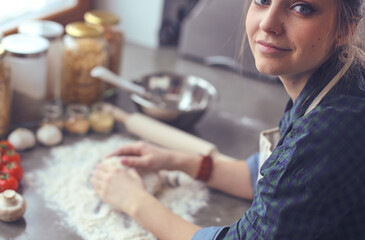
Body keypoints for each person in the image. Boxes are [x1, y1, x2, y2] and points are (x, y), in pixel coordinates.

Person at [91, 0, 365, 239]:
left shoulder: (329, 129)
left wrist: (135, 201)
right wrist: (175, 160)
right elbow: (262, 175)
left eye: (301, 8)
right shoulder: (332, 82)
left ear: (345, 29)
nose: (269, 23)